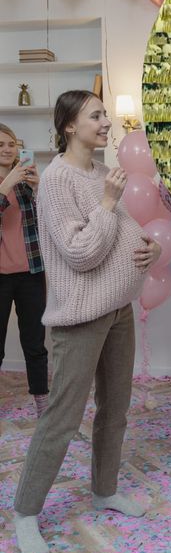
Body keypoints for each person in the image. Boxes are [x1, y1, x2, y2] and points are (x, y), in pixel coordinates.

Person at [13, 90, 161, 553]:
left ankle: (104, 490)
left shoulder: (100, 173)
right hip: (80, 317)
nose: (106, 122)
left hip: (119, 311)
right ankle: (26, 512)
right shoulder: (57, 181)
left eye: (104, 114)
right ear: (69, 126)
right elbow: (80, 252)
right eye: (95, 115)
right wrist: (108, 203)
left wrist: (152, 248)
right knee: (62, 416)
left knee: (115, 409)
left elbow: (126, 231)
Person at [0, 123, 48, 417]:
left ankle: (42, 400)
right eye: (0, 145)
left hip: (31, 272)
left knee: (35, 341)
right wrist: (5, 185)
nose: (7, 149)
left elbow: (47, 218)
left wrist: (37, 187)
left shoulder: (24, 180)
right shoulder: (9, 183)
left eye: (11, 144)